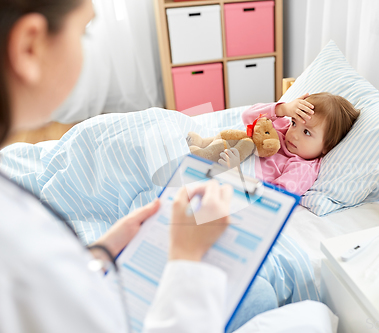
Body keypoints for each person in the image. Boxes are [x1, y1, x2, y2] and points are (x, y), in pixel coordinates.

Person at [0, 0, 339, 332]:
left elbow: (279, 193)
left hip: (231, 184)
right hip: (216, 184)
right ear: (30, 46)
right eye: (84, 31)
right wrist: (186, 259)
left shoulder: (303, 167)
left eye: (308, 132)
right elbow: (251, 116)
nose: (296, 134)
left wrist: (103, 249)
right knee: (301, 312)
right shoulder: (21, 252)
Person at [220, 93, 360, 195]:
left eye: (306, 132)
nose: (293, 134)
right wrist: (283, 109)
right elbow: (248, 117)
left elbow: (277, 197)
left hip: (235, 185)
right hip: (220, 162)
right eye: (294, 122)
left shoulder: (302, 168)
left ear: (327, 147)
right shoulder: (282, 127)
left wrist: (235, 174)